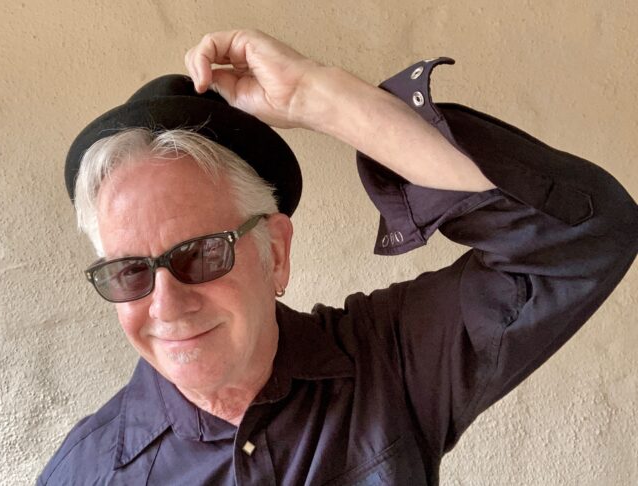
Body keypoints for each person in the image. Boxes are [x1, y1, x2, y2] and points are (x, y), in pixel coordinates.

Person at [38, 29, 638, 485]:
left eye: (200, 254)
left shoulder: (388, 362)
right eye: (130, 271)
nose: (166, 305)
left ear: (275, 253)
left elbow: (585, 237)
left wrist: (319, 98)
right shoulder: (84, 473)